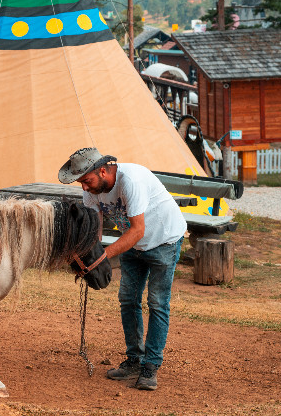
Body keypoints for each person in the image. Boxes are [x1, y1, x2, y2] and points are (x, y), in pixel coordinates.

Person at [58, 147, 186, 391]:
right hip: (134, 246)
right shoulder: (92, 191)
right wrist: (86, 256)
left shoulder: (131, 180)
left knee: (157, 302)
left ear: (103, 171)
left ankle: (150, 367)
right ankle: (134, 360)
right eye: (81, 182)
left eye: (86, 180)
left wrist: (104, 256)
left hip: (164, 240)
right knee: (128, 299)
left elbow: (138, 229)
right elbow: (94, 229)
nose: (83, 187)